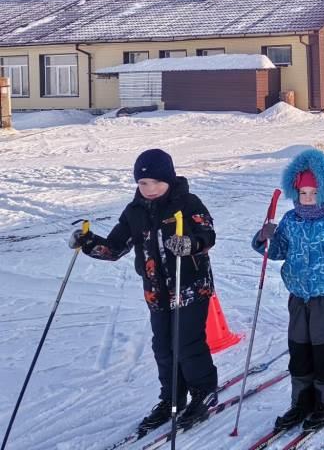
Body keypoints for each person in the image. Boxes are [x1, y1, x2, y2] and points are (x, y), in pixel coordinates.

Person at [68, 149, 219, 435]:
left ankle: (204, 392)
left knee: (188, 343)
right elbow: (114, 247)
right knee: (163, 346)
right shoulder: (134, 211)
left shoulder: (187, 203)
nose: (149, 189)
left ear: (169, 180)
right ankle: (172, 398)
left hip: (189, 286)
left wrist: (190, 244)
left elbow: (208, 235)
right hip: (156, 292)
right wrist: (87, 243)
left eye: (155, 183)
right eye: (142, 183)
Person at [252, 149, 324, 432]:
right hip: (298, 296)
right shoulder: (292, 220)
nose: (307, 199)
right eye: (302, 193)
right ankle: (302, 398)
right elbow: (277, 250)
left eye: (313, 193)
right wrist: (263, 238)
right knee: (299, 349)